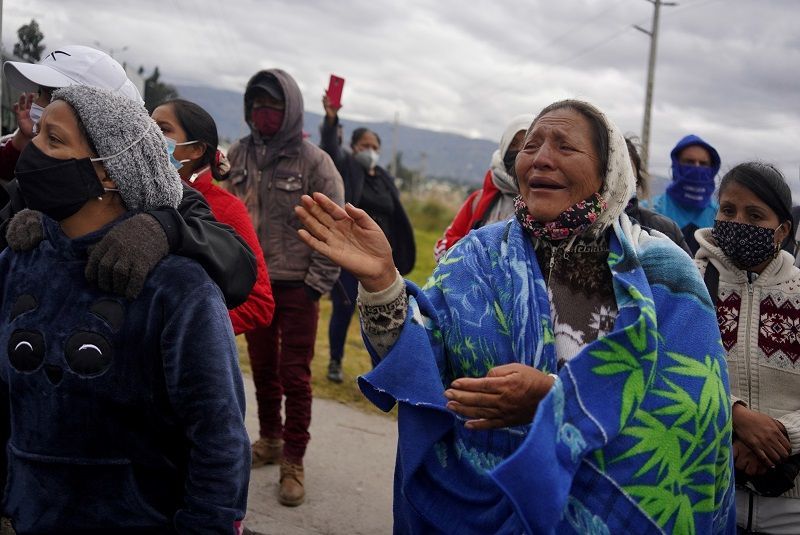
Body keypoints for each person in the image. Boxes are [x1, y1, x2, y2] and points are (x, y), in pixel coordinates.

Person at [296, 99, 735, 533]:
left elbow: (695, 415)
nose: (542, 158)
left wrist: (555, 399)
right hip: (473, 506)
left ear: (608, 170)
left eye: (565, 146)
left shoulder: (664, 273)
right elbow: (420, 365)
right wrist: (383, 283)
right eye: (531, 146)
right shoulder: (476, 255)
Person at [0, 85, 249, 533]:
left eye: (53, 140)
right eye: (36, 134)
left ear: (110, 172)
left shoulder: (178, 289)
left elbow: (218, 436)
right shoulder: (18, 261)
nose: (32, 150)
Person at [1, 45, 257, 308]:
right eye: (39, 93)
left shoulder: (162, 191)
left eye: (51, 95)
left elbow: (239, 269)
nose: (37, 104)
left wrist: (164, 228)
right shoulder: (33, 182)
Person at [225, 68, 344, 507]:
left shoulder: (315, 163)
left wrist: (316, 286)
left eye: (273, 106)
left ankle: (294, 458)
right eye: (257, 105)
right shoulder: (236, 156)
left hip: (298, 289)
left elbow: (334, 226)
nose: (263, 113)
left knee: (295, 375)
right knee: (262, 369)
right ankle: (270, 440)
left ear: (290, 109)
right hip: (253, 285)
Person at [694, 162, 800, 534]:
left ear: (782, 230)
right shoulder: (687, 281)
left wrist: (783, 437)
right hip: (706, 491)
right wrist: (735, 416)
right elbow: (666, 371)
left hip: (792, 504)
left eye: (755, 215)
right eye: (728, 210)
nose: (738, 222)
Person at [151, 98, 275, 334]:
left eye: (163, 129)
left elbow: (259, 304)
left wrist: (185, 325)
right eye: (148, 125)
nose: (150, 135)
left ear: (196, 149)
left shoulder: (227, 209)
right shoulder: (129, 192)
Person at [319, 92, 415, 383]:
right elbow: (329, 147)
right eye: (365, 146)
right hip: (351, 257)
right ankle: (335, 361)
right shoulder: (347, 168)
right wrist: (331, 117)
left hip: (383, 259)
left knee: (384, 313)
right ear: (353, 147)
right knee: (345, 308)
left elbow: (396, 214)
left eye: (374, 146)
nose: (370, 150)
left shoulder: (384, 178)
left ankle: (383, 371)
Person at [433, 114, 533, 261]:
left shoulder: (545, 203)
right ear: (504, 147)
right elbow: (443, 247)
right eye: (513, 144)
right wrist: (475, 252)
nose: (518, 151)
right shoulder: (478, 200)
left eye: (527, 145)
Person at [645, 134, 721, 255]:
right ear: (676, 166)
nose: (696, 168)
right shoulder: (649, 210)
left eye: (703, 163)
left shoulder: (720, 217)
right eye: (689, 162)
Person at [624, 137, 692, 255]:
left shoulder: (665, 230)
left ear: (637, 180)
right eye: (609, 169)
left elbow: (689, 273)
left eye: (625, 169)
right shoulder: (582, 226)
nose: (616, 176)